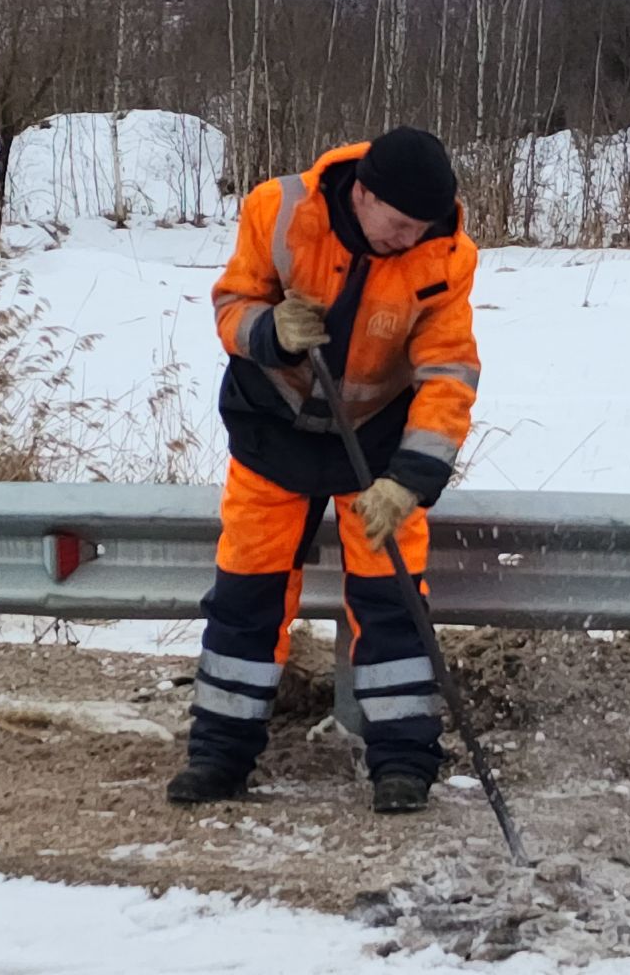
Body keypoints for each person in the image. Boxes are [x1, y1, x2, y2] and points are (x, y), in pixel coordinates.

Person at [167, 127, 481, 815]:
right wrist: (271, 332)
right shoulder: (277, 211)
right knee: (247, 597)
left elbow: (448, 375)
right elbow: (231, 308)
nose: (408, 239)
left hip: (374, 446)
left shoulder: (444, 257)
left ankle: (403, 764)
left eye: (420, 228)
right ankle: (219, 755)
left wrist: (410, 481)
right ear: (362, 194)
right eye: (397, 225)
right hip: (272, 429)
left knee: (392, 603)